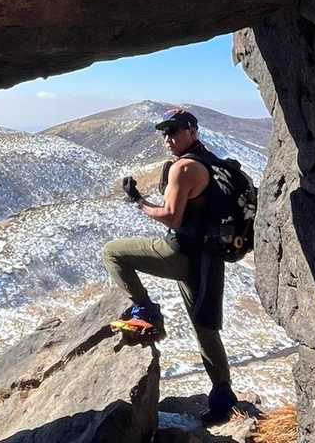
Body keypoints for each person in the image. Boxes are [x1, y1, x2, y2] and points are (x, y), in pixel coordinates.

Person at [102, 108, 239, 425]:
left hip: (181, 253)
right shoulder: (210, 161)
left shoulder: (184, 167)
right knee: (206, 331)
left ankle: (146, 313)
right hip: (208, 259)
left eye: (174, 131)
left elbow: (172, 217)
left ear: (192, 131)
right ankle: (223, 401)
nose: (168, 138)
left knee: (113, 253)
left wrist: (138, 202)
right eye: (165, 132)